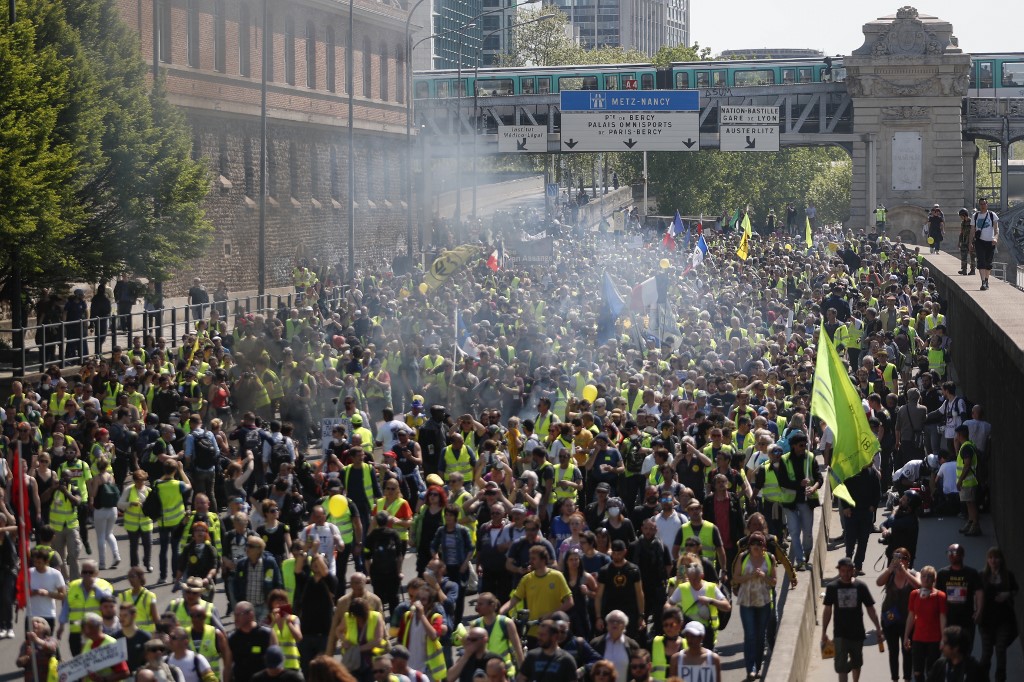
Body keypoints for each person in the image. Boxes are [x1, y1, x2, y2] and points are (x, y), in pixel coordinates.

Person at [822, 557, 883, 682]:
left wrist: (878, 628)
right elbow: (828, 610)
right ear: (839, 571)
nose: (845, 574)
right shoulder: (832, 587)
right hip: (840, 634)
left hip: (857, 633)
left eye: (848, 571)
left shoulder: (860, 587)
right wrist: (824, 631)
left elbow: (870, 609)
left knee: (856, 664)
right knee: (841, 668)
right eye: (843, 571)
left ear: (853, 571)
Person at [732, 531, 775, 681]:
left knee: (760, 634)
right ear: (749, 546)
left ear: (763, 546)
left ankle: (757, 665)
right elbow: (736, 577)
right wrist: (750, 576)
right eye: (753, 544)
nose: (756, 547)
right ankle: (751, 668)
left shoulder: (769, 558)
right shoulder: (743, 557)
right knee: (750, 635)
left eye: (759, 544)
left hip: (763, 601)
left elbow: (774, 581)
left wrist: (764, 576)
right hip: (747, 602)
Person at [876, 547, 920, 682]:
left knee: (907, 651)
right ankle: (895, 679)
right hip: (890, 619)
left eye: (903, 558)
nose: (900, 561)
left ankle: (907, 678)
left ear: (908, 561)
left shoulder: (913, 573)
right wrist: (890, 569)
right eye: (897, 557)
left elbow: (919, 585)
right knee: (893, 652)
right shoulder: (890, 573)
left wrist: (905, 572)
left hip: (908, 620)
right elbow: (878, 582)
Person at [977, 547, 1018, 682]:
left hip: (1004, 619)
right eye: (991, 557)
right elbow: (976, 594)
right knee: (986, 653)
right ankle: (983, 678)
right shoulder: (982, 575)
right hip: (986, 620)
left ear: (1001, 559)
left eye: (996, 557)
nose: (993, 560)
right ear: (987, 560)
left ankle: (1000, 679)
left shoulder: (1008, 575)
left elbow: (1015, 589)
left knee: (1001, 650)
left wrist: (1007, 594)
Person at [936, 544, 983, 658]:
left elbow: (979, 593)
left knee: (966, 649)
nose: (951, 555)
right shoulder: (942, 574)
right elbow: (937, 595)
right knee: (949, 649)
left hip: (966, 619)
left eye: (955, 553)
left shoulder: (971, 573)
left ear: (962, 555)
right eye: (949, 553)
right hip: (948, 619)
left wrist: (979, 611)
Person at [904, 566, 947, 682]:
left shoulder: (940, 596)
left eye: (930, 576)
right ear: (920, 578)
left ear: (934, 580)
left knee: (931, 672)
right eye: (924, 576)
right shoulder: (914, 594)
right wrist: (906, 636)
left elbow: (943, 617)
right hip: (918, 638)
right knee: (917, 673)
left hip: (934, 639)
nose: (926, 579)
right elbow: (911, 616)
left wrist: (943, 638)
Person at [227, 601, 277, 682]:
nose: (235, 619)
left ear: (250, 614)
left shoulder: (267, 634)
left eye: (238, 615)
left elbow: (275, 663)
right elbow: (228, 667)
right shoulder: (232, 638)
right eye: (234, 614)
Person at [516, 618, 578, 682]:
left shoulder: (566, 660)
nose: (539, 637)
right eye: (539, 634)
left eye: (543, 635)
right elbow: (521, 678)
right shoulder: (532, 656)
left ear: (555, 636)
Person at [81, 612, 131, 681]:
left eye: (89, 627)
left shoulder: (111, 644)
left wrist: (103, 680)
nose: (85, 631)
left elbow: (124, 672)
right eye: (84, 628)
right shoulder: (89, 643)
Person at [16, 617, 60, 682]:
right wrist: (27, 656)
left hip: (48, 678)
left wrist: (36, 640)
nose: (34, 623)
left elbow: (52, 647)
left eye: (38, 622)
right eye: (32, 623)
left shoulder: (51, 640)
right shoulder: (26, 644)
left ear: (45, 627)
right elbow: (19, 663)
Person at [971, 197, 998, 290]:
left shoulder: (992, 215)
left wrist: (995, 238)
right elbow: (972, 229)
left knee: (988, 263)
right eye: (981, 204)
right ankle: (983, 282)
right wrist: (971, 242)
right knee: (981, 261)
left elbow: (996, 229)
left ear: (987, 204)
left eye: (984, 204)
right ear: (979, 205)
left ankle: (986, 280)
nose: (982, 206)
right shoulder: (975, 216)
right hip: (979, 241)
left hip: (990, 242)